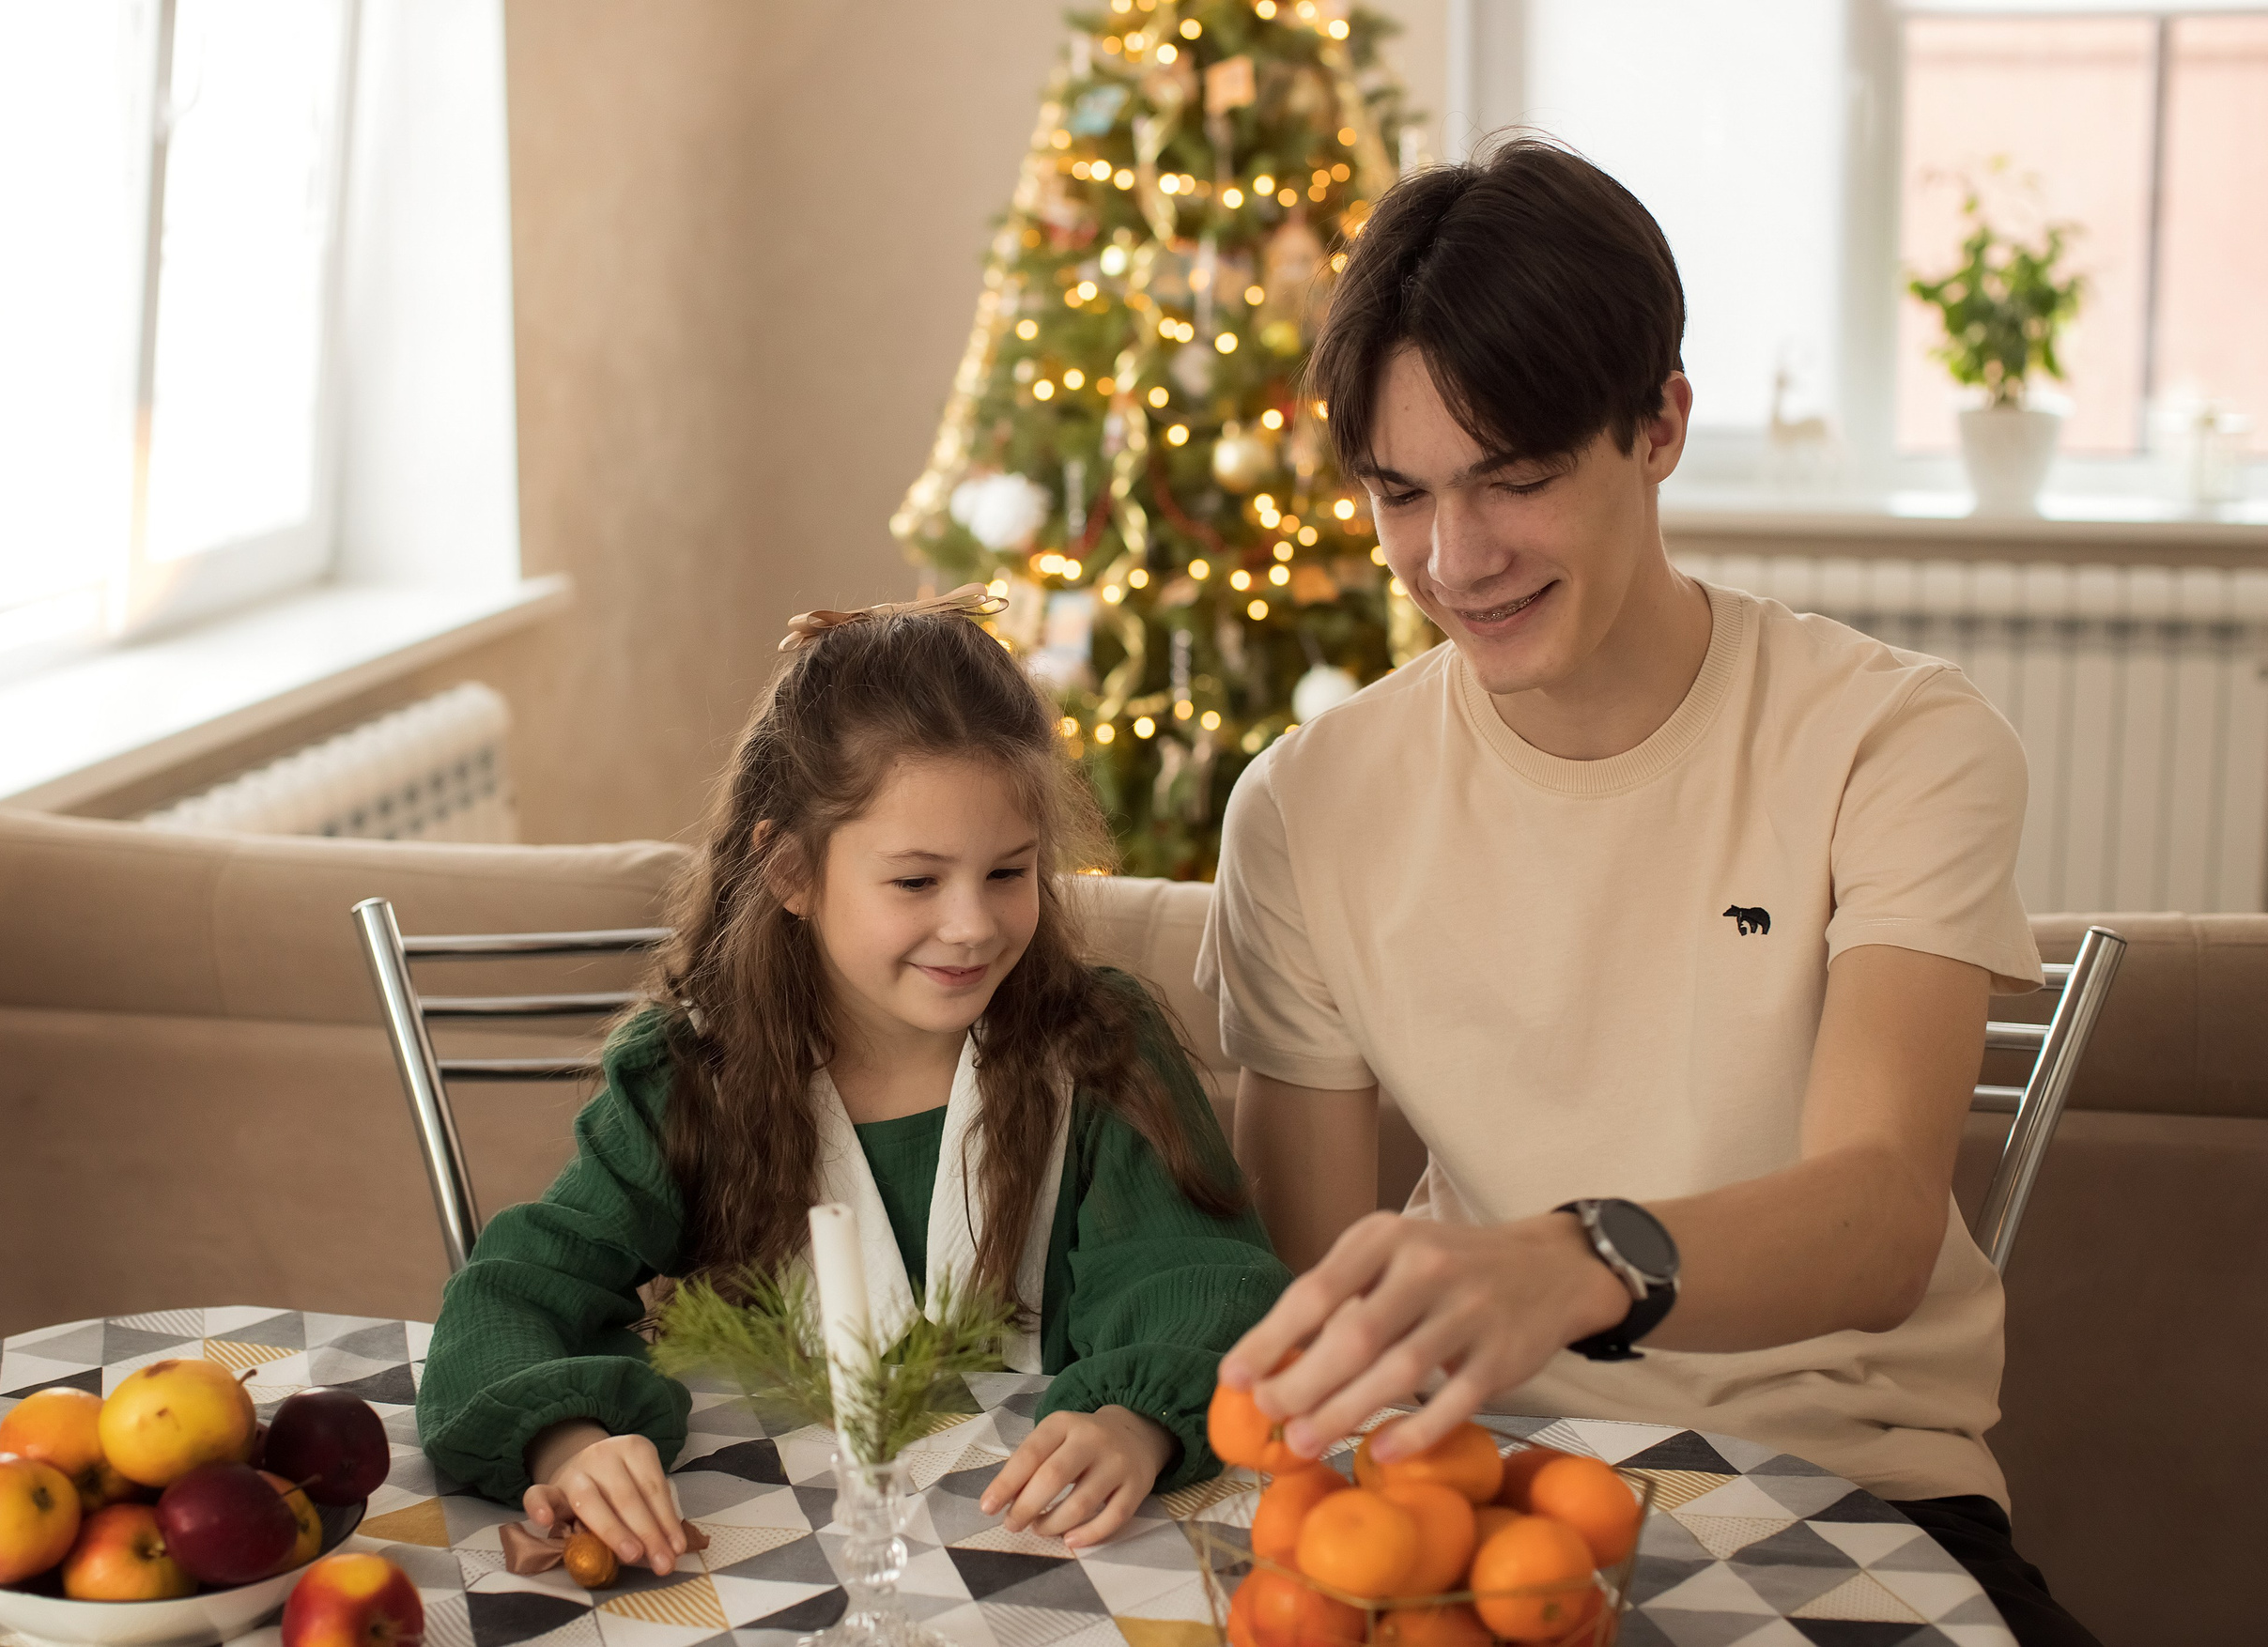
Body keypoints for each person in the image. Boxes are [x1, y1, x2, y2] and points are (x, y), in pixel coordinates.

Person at [1198, 142, 2098, 1647]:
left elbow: (1881, 1216)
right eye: (1402, 494)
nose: (1455, 559)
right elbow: (1308, 1297)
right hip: (1481, 1492)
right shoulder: (1302, 809)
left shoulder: (1896, 740)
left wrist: (1572, 1263)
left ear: (1661, 424)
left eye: (1516, 478)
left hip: (1862, 1487)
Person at [417, 587, 1287, 1573]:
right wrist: (568, 1442)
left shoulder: (1098, 1049)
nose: (972, 924)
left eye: (1008, 872)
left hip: (1045, 1553)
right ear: (791, 871)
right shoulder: (691, 1076)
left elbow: (1203, 1281)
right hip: (758, 1563)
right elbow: (511, 1299)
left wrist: (1135, 1422)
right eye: (916, 880)